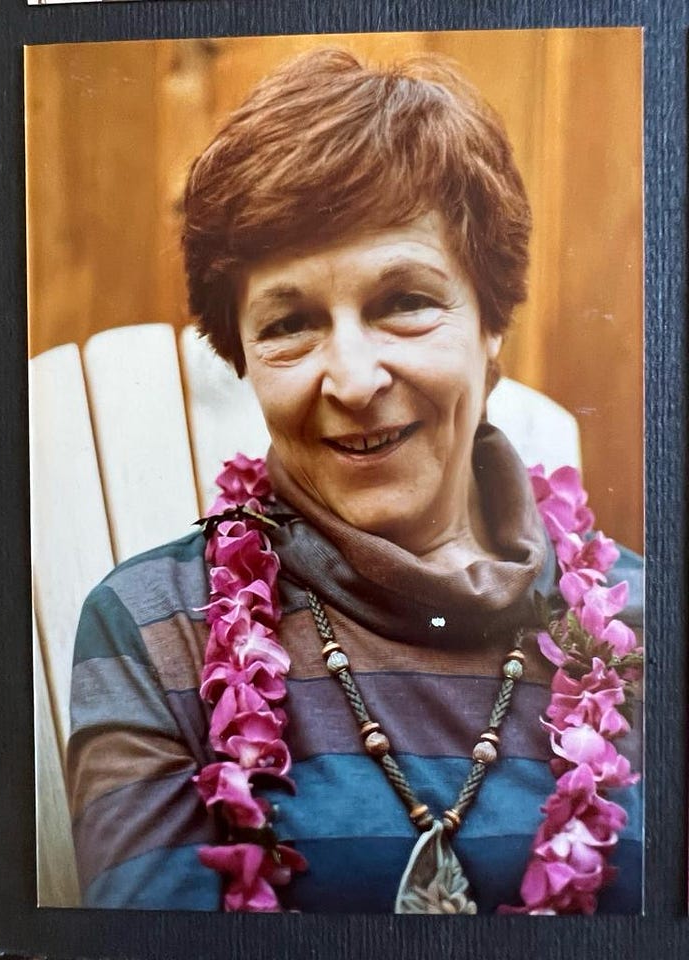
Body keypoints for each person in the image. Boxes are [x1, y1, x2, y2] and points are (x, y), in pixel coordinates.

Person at [66, 49, 643, 914]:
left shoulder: (647, 625)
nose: (353, 377)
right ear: (244, 359)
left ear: (491, 322)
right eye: (291, 323)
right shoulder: (153, 630)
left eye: (404, 300)